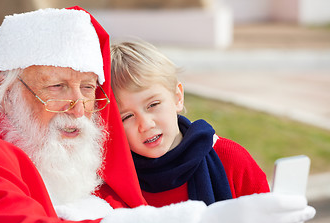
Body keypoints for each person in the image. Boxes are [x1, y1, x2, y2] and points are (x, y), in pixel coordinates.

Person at [0, 6, 315, 223]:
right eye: (56, 87)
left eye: (88, 88)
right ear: (7, 91)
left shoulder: (84, 162)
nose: (77, 107)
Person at [110, 40, 270, 207]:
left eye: (153, 105)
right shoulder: (115, 185)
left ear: (177, 97)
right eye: (126, 117)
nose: (145, 124)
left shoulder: (230, 160)